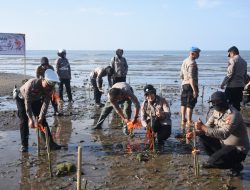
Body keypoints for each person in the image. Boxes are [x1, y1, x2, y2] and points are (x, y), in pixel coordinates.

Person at [187, 91, 249, 176]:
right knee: (203, 136)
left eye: (218, 101)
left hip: (237, 150)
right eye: (213, 102)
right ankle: (218, 159)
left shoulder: (233, 114)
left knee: (214, 161)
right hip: (223, 145)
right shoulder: (215, 112)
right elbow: (206, 128)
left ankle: (235, 165)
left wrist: (202, 127)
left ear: (225, 100)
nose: (216, 104)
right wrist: (195, 133)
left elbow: (223, 134)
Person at [15, 69, 62, 152]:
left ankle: (50, 143)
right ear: (43, 79)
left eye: (51, 86)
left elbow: (45, 104)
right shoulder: (32, 84)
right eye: (48, 85)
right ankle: (24, 145)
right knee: (24, 121)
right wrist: (30, 118)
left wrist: (40, 117)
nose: (49, 88)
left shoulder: (50, 88)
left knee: (42, 121)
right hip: (22, 99)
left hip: (35, 99)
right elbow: (27, 103)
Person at [221, 46, 247, 111]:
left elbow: (230, 74)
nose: (229, 56)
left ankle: (230, 118)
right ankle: (237, 119)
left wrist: (223, 83)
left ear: (232, 53)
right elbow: (245, 75)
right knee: (237, 104)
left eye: (229, 54)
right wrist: (244, 84)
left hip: (232, 86)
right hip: (240, 85)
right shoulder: (244, 62)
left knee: (227, 103)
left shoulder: (232, 60)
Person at [180, 47, 201, 129]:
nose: (199, 55)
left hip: (184, 84)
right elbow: (191, 78)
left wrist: (184, 81)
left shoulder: (185, 61)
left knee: (183, 102)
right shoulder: (192, 63)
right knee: (190, 104)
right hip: (190, 85)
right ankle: (188, 120)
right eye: (197, 53)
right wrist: (194, 90)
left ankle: (183, 119)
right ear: (192, 53)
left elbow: (181, 74)